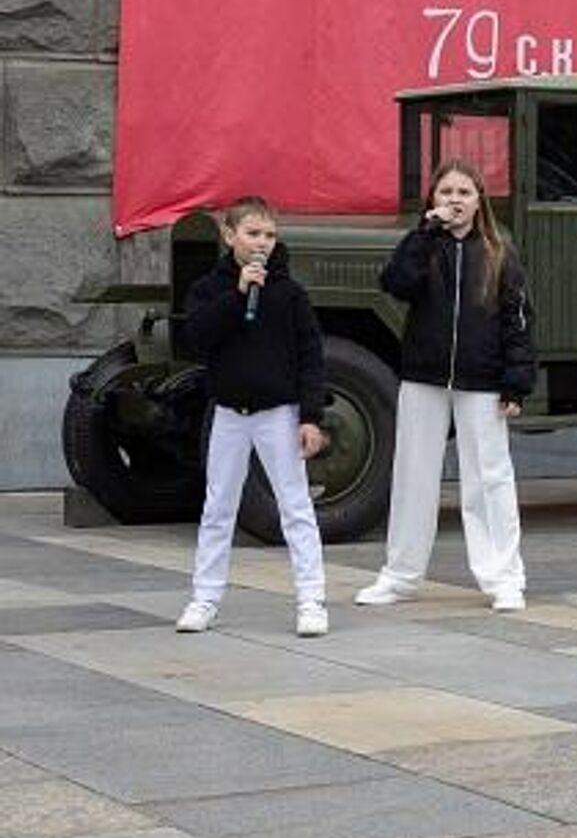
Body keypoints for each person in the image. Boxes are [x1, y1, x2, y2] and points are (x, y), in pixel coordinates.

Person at [355, 159, 536, 612]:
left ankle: (504, 579)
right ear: (433, 199)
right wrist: (424, 233)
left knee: (489, 478)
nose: (455, 200)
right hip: (424, 376)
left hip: (482, 381)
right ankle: (399, 576)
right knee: (412, 476)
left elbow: (517, 320)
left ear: (478, 201)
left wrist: (516, 383)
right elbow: (396, 283)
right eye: (446, 192)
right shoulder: (424, 245)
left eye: (464, 192)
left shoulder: (499, 253)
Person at [175, 196, 329, 637]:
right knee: (218, 507)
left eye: (269, 235)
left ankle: (311, 600)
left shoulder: (289, 293)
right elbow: (196, 336)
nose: (262, 243)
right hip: (229, 413)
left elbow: (310, 355)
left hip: (278, 413)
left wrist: (310, 416)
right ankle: (205, 598)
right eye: (252, 233)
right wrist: (237, 294)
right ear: (230, 236)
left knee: (295, 506)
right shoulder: (210, 288)